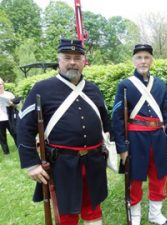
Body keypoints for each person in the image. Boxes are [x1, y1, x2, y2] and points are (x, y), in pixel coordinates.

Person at [17, 38, 110, 225]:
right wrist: (31, 164)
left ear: (84, 61)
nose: (73, 62)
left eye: (77, 57)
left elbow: (106, 122)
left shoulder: (93, 89)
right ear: (59, 60)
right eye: (67, 57)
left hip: (94, 161)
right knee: (67, 213)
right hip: (62, 164)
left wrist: (118, 146)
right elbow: (24, 126)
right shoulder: (41, 89)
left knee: (93, 207)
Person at [112, 44, 167, 225]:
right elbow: (117, 118)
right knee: (135, 179)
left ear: (152, 60)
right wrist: (122, 148)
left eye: (146, 57)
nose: (143, 61)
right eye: (139, 57)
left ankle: (155, 215)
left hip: (158, 137)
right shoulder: (125, 84)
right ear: (134, 61)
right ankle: (135, 218)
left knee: (159, 176)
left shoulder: (160, 84)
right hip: (135, 139)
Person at [0, 78, 20, 155]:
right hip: (0, 119)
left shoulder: (9, 94)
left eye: (0, 84)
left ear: (3, 84)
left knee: (15, 133)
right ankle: (6, 152)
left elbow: (15, 104)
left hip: (9, 118)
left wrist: (11, 103)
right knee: (2, 137)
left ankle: (19, 147)